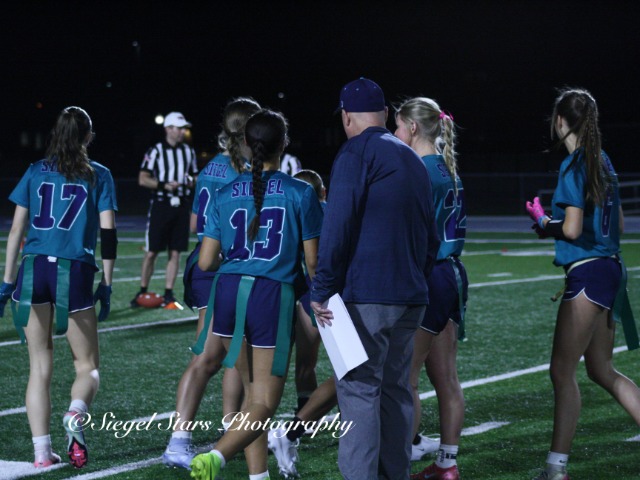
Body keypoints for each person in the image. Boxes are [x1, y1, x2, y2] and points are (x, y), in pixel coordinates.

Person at [310, 77, 440, 480]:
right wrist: (416, 280)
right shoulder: (412, 158)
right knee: (395, 390)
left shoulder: (356, 152)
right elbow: (432, 237)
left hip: (369, 296)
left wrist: (321, 288)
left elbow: (337, 225)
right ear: (384, 113)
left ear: (347, 117)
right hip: (411, 297)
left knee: (360, 392)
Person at [189, 109, 323, 480]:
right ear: (285, 144)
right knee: (264, 402)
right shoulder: (301, 192)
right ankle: (217, 456)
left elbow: (205, 262)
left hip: (227, 293)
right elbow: (313, 264)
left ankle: (258, 476)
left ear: (246, 144)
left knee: (252, 396)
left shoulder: (224, 192)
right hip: (270, 294)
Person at [525, 88, 640, 480]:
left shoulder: (574, 164)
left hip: (589, 274)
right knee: (602, 369)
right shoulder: (603, 160)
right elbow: (619, 223)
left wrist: (545, 224)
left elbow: (572, 229)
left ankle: (556, 469)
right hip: (611, 269)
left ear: (560, 121)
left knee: (562, 371)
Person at [0, 106, 117, 469]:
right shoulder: (99, 174)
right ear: (88, 137)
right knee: (87, 366)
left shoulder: (35, 170)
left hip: (33, 269)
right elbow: (109, 234)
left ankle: (41, 453)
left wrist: (6, 283)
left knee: (39, 367)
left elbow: (15, 231)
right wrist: (107, 282)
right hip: (74, 271)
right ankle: (75, 414)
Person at [162, 97, 261, 469]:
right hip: (221, 266)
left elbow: (195, 225)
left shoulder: (210, 167)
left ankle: (233, 428)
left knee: (235, 352)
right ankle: (178, 440)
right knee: (207, 357)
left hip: (209, 262)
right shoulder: (244, 171)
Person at [394, 98, 468, 480]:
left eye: (397, 126)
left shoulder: (419, 170)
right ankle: (447, 465)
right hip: (452, 274)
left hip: (429, 276)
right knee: (446, 378)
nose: (394, 134)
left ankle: (396, 465)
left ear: (412, 127)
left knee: (404, 378)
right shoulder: (447, 168)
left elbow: (412, 235)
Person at [130, 111, 198, 308]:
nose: (183, 132)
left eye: (184, 128)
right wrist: (164, 185)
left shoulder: (189, 151)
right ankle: (142, 290)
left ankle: (169, 293)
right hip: (161, 205)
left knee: (175, 252)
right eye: (179, 128)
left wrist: (189, 181)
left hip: (181, 206)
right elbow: (143, 179)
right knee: (151, 252)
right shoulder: (156, 151)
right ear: (168, 128)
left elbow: (195, 177)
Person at [291, 169, 326, 413]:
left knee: (305, 364)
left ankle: (304, 416)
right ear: (323, 191)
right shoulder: (335, 211)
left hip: (309, 292)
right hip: (342, 292)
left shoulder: (295, 217)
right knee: (350, 367)